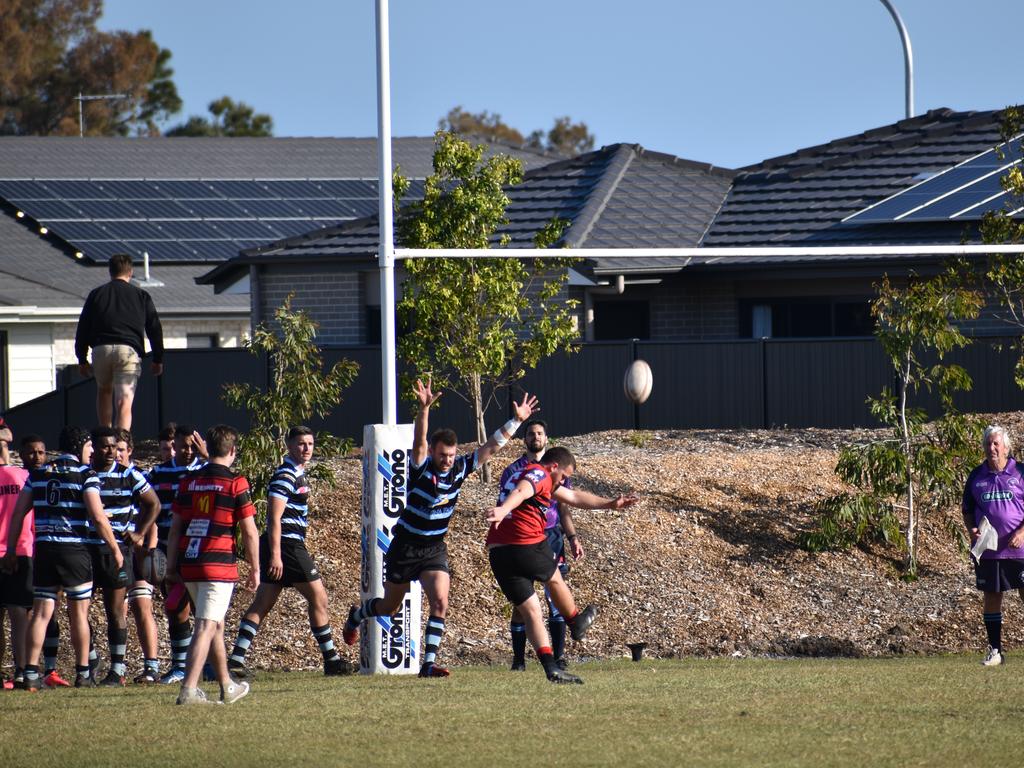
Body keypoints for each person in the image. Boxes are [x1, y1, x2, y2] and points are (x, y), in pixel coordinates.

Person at [342, 377, 538, 678]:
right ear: (433, 452)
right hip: (406, 547)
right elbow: (419, 440)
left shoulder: (459, 467)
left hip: (433, 549)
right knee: (389, 608)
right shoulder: (421, 468)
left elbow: (489, 448)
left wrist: (515, 420)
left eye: (451, 454)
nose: (448, 460)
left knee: (441, 602)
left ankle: (428, 664)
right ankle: (357, 615)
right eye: (443, 455)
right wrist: (424, 409)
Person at [485, 445, 638, 684]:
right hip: (524, 542)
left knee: (532, 612)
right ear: (554, 466)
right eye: (564, 476)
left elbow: (575, 497)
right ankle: (575, 622)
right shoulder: (540, 473)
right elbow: (523, 490)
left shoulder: (528, 473)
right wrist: (504, 509)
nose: (564, 482)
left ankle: (551, 669)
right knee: (555, 578)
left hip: (498, 552)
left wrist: (610, 504)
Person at [1, 426, 123, 690]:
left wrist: (11, 550)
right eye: (90, 446)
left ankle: (31, 672)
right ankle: (83, 673)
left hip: (44, 550)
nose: (92, 452)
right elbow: (98, 517)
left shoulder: (39, 474)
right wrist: (114, 548)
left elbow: (19, 514)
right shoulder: (84, 474)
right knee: (78, 612)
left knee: (41, 612)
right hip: (74, 551)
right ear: (81, 446)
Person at [228, 426, 354, 678]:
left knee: (263, 603)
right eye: (300, 444)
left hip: (285, 545)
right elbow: (274, 518)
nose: (306, 448)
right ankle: (331, 661)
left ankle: (235, 659)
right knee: (319, 599)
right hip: (287, 546)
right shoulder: (286, 474)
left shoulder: (296, 472)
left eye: (309, 443)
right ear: (288, 445)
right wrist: (275, 554)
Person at [166, 425, 258, 705]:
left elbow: (175, 527)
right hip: (217, 563)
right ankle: (189, 689)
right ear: (232, 451)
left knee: (214, 624)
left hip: (190, 561)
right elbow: (249, 530)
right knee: (206, 625)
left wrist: (171, 566)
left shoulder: (190, 481)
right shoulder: (235, 482)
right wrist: (255, 567)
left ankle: (227, 685)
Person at [499, 419, 584, 671]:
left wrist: (572, 537)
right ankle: (519, 659)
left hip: (550, 536)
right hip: (524, 537)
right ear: (524, 439)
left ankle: (557, 657)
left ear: (547, 439)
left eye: (540, 433)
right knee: (523, 602)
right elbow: (516, 494)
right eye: (531, 433)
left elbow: (565, 503)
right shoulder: (517, 469)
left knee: (554, 596)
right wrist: (502, 511)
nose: (535, 437)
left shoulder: (556, 470)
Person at [87, 426, 160, 686]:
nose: (111, 453)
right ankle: (90, 658)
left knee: (115, 610)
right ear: (93, 448)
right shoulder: (85, 474)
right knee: (77, 611)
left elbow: (154, 503)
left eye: (115, 447)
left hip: (117, 551)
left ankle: (117, 670)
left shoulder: (129, 475)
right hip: (85, 549)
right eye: (105, 447)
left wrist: (139, 533)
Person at [75, 252, 164, 431]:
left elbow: (83, 327)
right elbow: (154, 327)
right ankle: (121, 443)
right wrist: (158, 358)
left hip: (101, 349)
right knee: (124, 400)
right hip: (128, 350)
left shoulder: (96, 294)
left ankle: (104, 437)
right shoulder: (141, 295)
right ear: (130, 272)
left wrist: (82, 358)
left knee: (104, 392)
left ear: (110, 271)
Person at [146, 424, 206, 684]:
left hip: (199, 550)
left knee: (204, 609)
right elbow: (147, 508)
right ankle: (181, 666)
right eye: (183, 445)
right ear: (174, 445)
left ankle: (209, 665)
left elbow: (228, 480)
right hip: (168, 549)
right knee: (175, 608)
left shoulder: (205, 470)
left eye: (193, 446)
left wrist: (206, 456)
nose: (188, 451)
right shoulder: (158, 473)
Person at [963, 425, 1024, 666]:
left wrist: (1022, 531)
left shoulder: (1020, 472)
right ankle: (995, 651)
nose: (992, 448)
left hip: (1019, 550)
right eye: (988, 444)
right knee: (991, 596)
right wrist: (972, 531)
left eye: (996, 443)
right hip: (989, 551)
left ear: (1006, 447)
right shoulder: (976, 476)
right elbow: (967, 509)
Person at [116, 429, 162, 683]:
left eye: (122, 449)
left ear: (130, 450)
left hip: (139, 550)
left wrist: (150, 549)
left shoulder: (139, 477)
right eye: (115, 449)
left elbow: (153, 513)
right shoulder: (106, 477)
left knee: (143, 606)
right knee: (118, 607)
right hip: (117, 551)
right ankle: (118, 667)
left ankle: (151, 666)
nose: (118, 454)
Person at [0, 420, 31, 690]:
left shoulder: (23, 477)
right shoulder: (24, 477)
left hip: (11, 551)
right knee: (19, 613)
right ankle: (22, 670)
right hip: (21, 550)